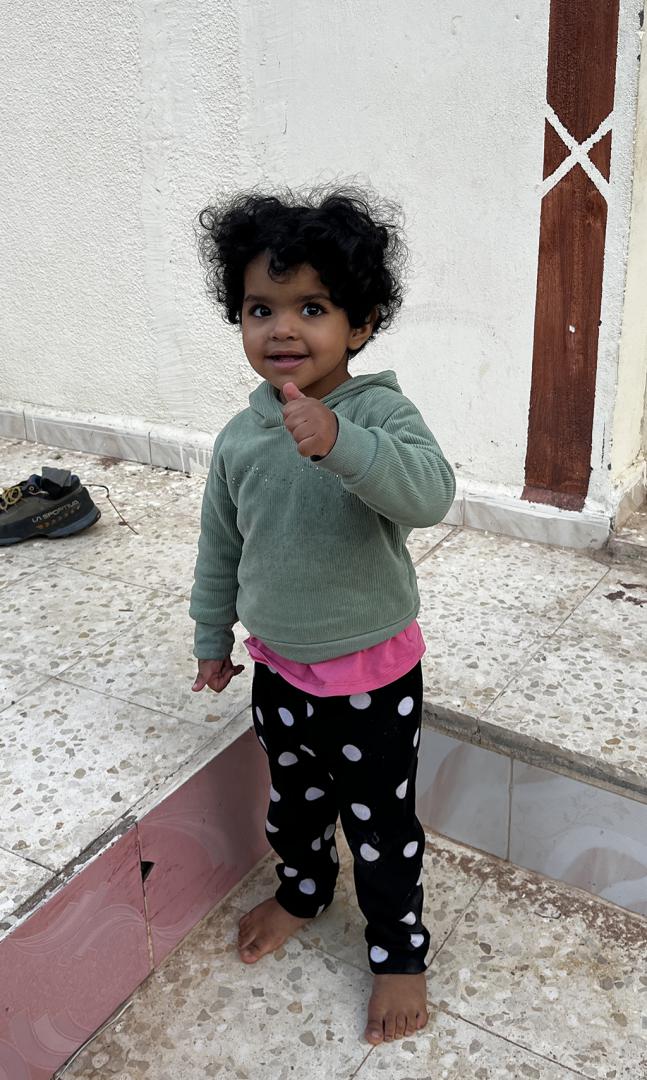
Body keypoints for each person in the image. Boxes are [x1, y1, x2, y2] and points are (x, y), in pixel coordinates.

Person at [189, 182, 455, 1045]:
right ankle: (303, 891)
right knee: (294, 808)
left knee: (380, 826)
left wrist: (342, 445)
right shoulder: (240, 438)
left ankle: (399, 952)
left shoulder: (377, 413)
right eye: (259, 308)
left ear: (361, 323)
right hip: (279, 670)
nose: (282, 329)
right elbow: (221, 546)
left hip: (372, 677)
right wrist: (211, 635)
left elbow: (429, 494)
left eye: (312, 307)